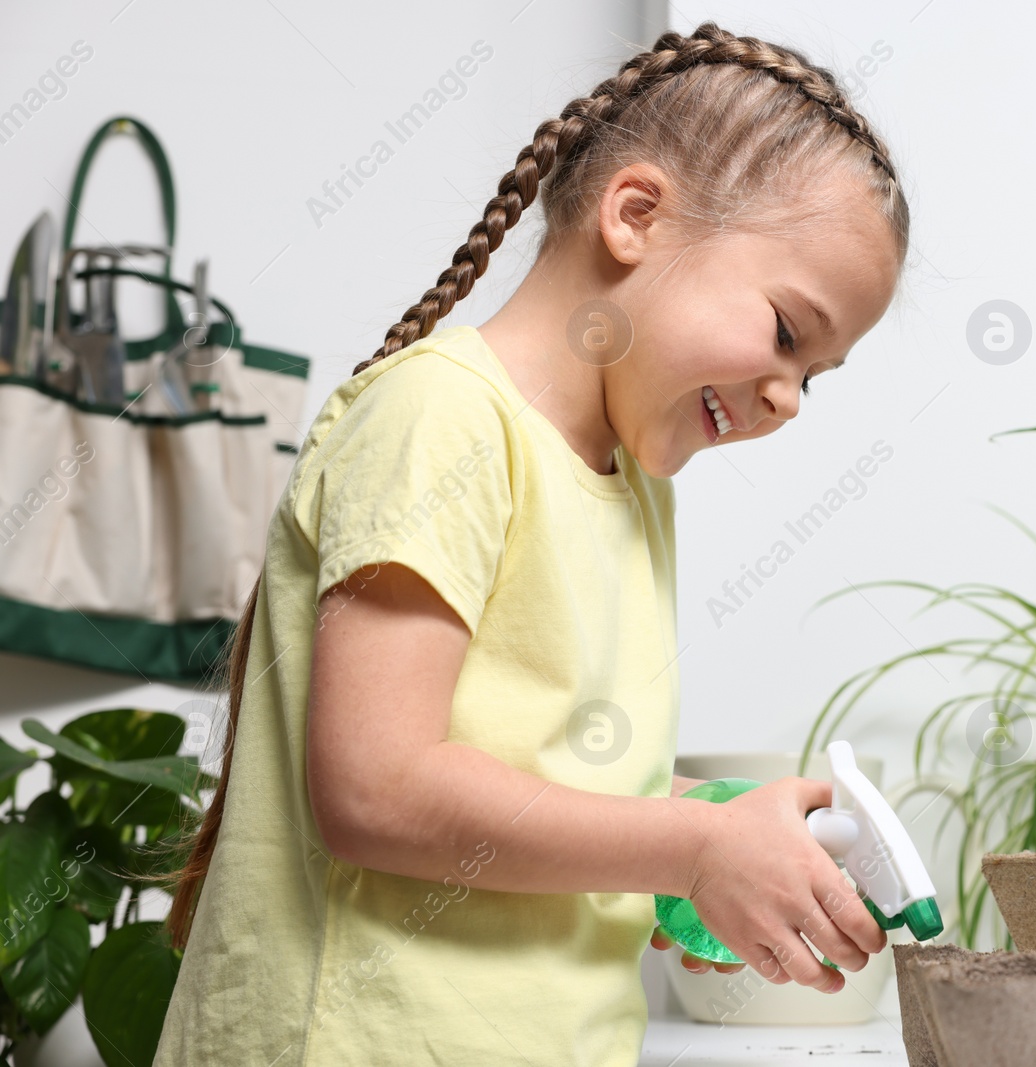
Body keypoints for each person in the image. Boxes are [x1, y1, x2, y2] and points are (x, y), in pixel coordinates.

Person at [147, 20, 910, 1067]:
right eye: (786, 331)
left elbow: (535, 768)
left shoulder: (633, 488)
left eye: (815, 374)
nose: (788, 398)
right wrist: (688, 847)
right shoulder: (441, 419)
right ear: (636, 215)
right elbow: (376, 789)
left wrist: (721, 841)